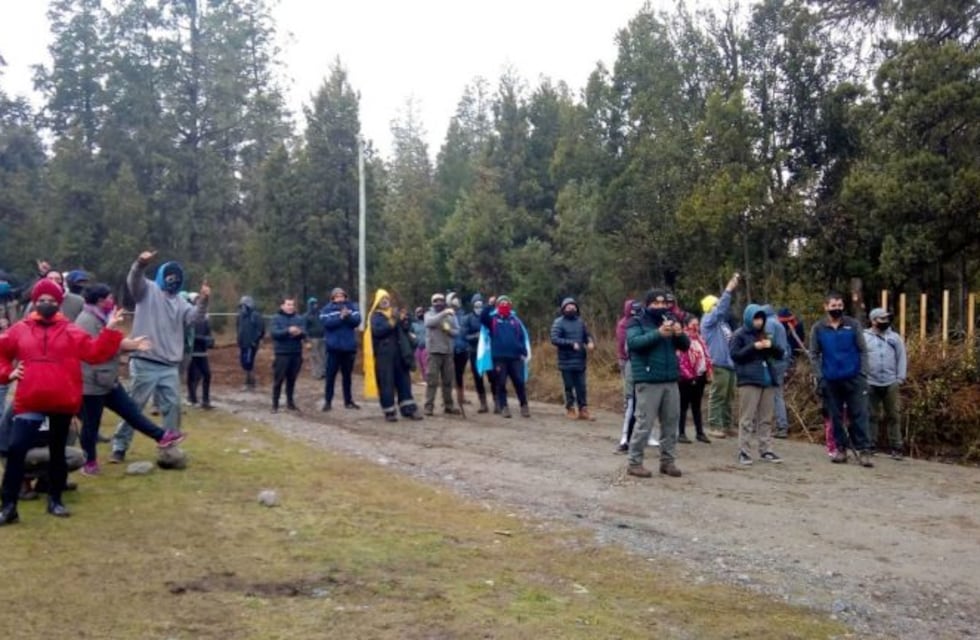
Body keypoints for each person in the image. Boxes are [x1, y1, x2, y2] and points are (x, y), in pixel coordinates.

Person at [0, 279, 125, 524]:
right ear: (35, 302)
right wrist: (7, 373)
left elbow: (94, 353)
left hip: (62, 402)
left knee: (58, 453)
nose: (47, 303)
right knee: (16, 450)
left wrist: (109, 330)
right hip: (29, 401)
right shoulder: (20, 330)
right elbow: (1, 353)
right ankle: (8, 506)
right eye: (42, 300)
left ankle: (55, 501)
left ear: (59, 303)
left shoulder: (71, 330)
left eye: (52, 300)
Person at [110, 251, 209, 463]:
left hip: (169, 365)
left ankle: (169, 447)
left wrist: (203, 300)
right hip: (144, 360)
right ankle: (119, 446)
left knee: (173, 406)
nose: (173, 281)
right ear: (163, 275)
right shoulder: (147, 290)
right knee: (134, 407)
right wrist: (139, 263)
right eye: (170, 277)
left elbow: (195, 319)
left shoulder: (182, 303)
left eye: (177, 278)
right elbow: (133, 280)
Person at [76, 284, 185, 476]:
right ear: (100, 301)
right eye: (110, 297)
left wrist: (134, 344)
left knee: (131, 411)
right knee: (91, 425)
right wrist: (126, 345)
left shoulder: (103, 318)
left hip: (108, 381)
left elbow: (113, 342)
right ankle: (89, 461)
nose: (112, 301)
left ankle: (162, 437)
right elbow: (96, 350)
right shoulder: (86, 321)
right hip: (91, 383)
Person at [625, 289, 689, 478]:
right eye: (656, 303)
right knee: (644, 422)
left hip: (670, 378)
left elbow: (685, 346)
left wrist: (679, 334)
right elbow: (634, 343)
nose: (660, 307)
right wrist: (658, 333)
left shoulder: (669, 319)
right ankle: (634, 462)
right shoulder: (636, 321)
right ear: (648, 304)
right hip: (648, 378)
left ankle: (667, 462)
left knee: (671, 422)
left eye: (663, 303)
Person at [810, 292, 874, 467]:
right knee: (835, 417)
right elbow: (814, 354)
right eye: (833, 306)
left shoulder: (853, 325)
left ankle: (864, 450)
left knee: (860, 414)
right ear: (826, 307)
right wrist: (820, 376)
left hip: (854, 377)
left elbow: (863, 350)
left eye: (839, 305)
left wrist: (862, 373)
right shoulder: (818, 328)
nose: (837, 309)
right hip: (831, 379)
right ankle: (841, 449)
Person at [730, 304, 786, 465]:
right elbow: (735, 356)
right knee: (747, 418)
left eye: (761, 318)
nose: (758, 322)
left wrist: (771, 346)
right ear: (748, 318)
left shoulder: (765, 334)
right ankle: (744, 451)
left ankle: (766, 449)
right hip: (749, 379)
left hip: (767, 378)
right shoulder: (739, 335)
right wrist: (753, 347)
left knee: (766, 418)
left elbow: (780, 353)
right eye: (756, 318)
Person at [364, 289, 423, 422]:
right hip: (384, 355)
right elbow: (380, 331)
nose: (385, 301)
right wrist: (395, 319)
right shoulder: (375, 316)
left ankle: (409, 410)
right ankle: (389, 411)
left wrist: (404, 321)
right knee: (387, 383)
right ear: (377, 302)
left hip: (399, 353)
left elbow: (405, 329)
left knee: (404, 381)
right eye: (382, 299)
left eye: (386, 298)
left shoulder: (394, 313)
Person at [701, 273, 741, 440]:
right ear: (711, 307)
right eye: (716, 305)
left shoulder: (723, 324)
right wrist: (728, 291)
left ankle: (727, 424)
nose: (720, 307)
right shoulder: (708, 321)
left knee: (729, 395)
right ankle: (715, 425)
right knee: (718, 395)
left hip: (729, 363)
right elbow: (721, 310)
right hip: (718, 363)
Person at [864, 308, 907, 460]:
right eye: (881, 319)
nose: (885, 322)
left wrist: (900, 378)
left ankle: (896, 446)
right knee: (871, 415)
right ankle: (870, 444)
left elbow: (902, 357)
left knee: (894, 415)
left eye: (887, 319)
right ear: (873, 320)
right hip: (870, 381)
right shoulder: (864, 337)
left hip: (891, 381)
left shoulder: (895, 338)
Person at [479, 295, 531, 419]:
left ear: (510, 305)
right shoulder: (493, 320)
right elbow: (482, 318)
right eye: (501, 302)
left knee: (519, 382)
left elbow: (522, 337)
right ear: (497, 305)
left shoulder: (515, 320)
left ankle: (524, 406)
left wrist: (523, 351)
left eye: (506, 302)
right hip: (499, 358)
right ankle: (504, 407)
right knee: (501, 383)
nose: (504, 304)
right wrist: (489, 305)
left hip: (515, 357)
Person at [550, 297, 596, 421]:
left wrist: (590, 342)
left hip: (580, 359)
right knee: (569, 386)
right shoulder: (558, 322)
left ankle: (583, 409)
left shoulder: (580, 322)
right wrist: (570, 343)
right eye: (568, 306)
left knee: (582, 386)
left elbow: (587, 336)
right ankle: (570, 408)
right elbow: (554, 339)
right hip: (566, 360)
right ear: (563, 309)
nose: (571, 308)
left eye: (573, 306)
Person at [320, 288, 362, 412]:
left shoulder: (352, 307)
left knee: (347, 376)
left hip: (348, 348)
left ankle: (348, 401)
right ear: (332, 298)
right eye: (337, 296)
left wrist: (347, 316)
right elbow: (327, 323)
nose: (340, 298)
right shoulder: (326, 309)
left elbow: (357, 321)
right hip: (333, 348)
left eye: (341, 296)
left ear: (345, 297)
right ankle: (328, 401)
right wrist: (340, 317)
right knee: (330, 376)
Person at [424, 293, 461, 416]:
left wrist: (449, 330)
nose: (439, 303)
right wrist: (443, 313)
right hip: (434, 352)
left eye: (441, 301)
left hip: (448, 352)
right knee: (432, 381)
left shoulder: (451, 315)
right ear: (432, 302)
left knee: (448, 381)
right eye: (436, 301)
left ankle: (448, 406)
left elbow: (457, 331)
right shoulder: (429, 314)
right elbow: (429, 323)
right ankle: (428, 407)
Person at [677, 313, 712, 444]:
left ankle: (700, 432)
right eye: (693, 325)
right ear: (686, 326)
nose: (696, 327)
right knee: (683, 405)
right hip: (686, 377)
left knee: (697, 405)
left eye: (697, 325)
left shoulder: (700, 339)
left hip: (700, 375)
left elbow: (706, 355)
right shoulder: (682, 338)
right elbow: (681, 359)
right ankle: (680, 432)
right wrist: (689, 376)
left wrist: (708, 371)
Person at [774, 307, 807, 438]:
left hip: (787, 360)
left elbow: (798, 344)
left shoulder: (788, 327)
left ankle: (782, 425)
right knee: (783, 392)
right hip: (789, 360)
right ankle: (784, 423)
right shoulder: (795, 325)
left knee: (779, 394)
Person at [616, 299, 642, 453]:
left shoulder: (647, 323)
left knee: (646, 406)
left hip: (644, 369)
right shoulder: (623, 325)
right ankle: (625, 438)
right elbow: (624, 346)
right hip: (629, 363)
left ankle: (646, 435)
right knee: (631, 402)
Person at [270, 297, 305, 413]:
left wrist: (299, 333)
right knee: (278, 380)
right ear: (282, 306)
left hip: (296, 353)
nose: (290, 307)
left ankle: (290, 402)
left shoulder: (299, 318)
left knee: (292, 379)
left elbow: (305, 332)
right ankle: (275, 404)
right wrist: (288, 331)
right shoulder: (276, 318)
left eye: (292, 305)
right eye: (288, 305)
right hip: (282, 354)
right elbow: (274, 333)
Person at [462, 295, 492, 413]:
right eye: (476, 305)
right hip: (475, 352)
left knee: (493, 377)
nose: (479, 308)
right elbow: (464, 336)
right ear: (473, 306)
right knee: (478, 378)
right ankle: (483, 403)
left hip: (488, 351)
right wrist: (476, 336)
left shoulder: (488, 316)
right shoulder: (468, 318)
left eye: (481, 305)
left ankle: (497, 402)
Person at [186, 295, 214, 409]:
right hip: (192, 352)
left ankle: (205, 400)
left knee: (207, 375)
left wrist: (210, 341)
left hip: (202, 352)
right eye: (197, 301)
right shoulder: (190, 319)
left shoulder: (205, 320)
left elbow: (208, 334)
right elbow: (190, 336)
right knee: (192, 376)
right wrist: (203, 339)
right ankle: (192, 399)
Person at [236, 295, 265, 392]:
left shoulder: (256, 315)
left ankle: (249, 383)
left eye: (244, 305)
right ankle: (250, 381)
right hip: (243, 343)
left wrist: (255, 340)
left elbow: (260, 330)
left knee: (249, 362)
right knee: (243, 362)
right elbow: (238, 329)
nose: (243, 308)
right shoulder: (240, 316)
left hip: (251, 344)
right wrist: (239, 340)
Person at [449, 294, 472, 408]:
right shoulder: (447, 315)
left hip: (463, 348)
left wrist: (467, 344)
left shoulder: (464, 316)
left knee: (460, 373)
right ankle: (448, 398)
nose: (455, 304)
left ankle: (461, 397)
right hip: (450, 349)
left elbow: (466, 331)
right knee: (448, 374)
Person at [304, 296, 326, 380]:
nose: (315, 305)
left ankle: (323, 372)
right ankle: (316, 373)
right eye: (313, 304)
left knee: (323, 356)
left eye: (316, 303)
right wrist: (306, 341)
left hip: (322, 338)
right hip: (312, 339)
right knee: (314, 356)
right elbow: (304, 329)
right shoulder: (306, 316)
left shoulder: (321, 314)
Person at [411, 307, 428, 383]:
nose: (420, 314)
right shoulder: (414, 324)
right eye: (418, 312)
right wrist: (413, 337)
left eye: (421, 312)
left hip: (426, 346)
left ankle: (428, 379)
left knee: (425, 363)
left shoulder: (427, 322)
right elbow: (410, 332)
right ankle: (424, 379)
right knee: (420, 363)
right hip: (418, 346)